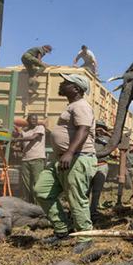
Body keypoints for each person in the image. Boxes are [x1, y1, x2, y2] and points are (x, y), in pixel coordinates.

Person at [34, 73, 97, 254]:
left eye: (66, 82)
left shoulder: (82, 106)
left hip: (77, 157)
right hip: (61, 159)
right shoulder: (71, 106)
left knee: (76, 199)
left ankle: (85, 238)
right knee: (42, 191)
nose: (61, 84)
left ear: (76, 88)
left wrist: (69, 152)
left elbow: (83, 130)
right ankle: (62, 229)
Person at [13, 114, 46, 203]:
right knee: (26, 184)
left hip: (37, 159)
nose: (35, 121)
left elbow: (33, 138)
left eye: (36, 119)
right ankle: (28, 203)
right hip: (25, 160)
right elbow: (21, 147)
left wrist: (16, 139)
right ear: (28, 121)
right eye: (32, 119)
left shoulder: (40, 128)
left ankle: (38, 205)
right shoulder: (24, 132)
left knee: (37, 184)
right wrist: (13, 147)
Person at [87, 120, 111, 222]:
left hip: (101, 166)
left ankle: (93, 210)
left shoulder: (107, 139)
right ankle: (84, 211)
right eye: (97, 127)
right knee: (86, 190)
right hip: (89, 165)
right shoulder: (89, 137)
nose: (99, 129)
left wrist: (106, 133)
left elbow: (120, 140)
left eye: (101, 127)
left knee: (97, 190)